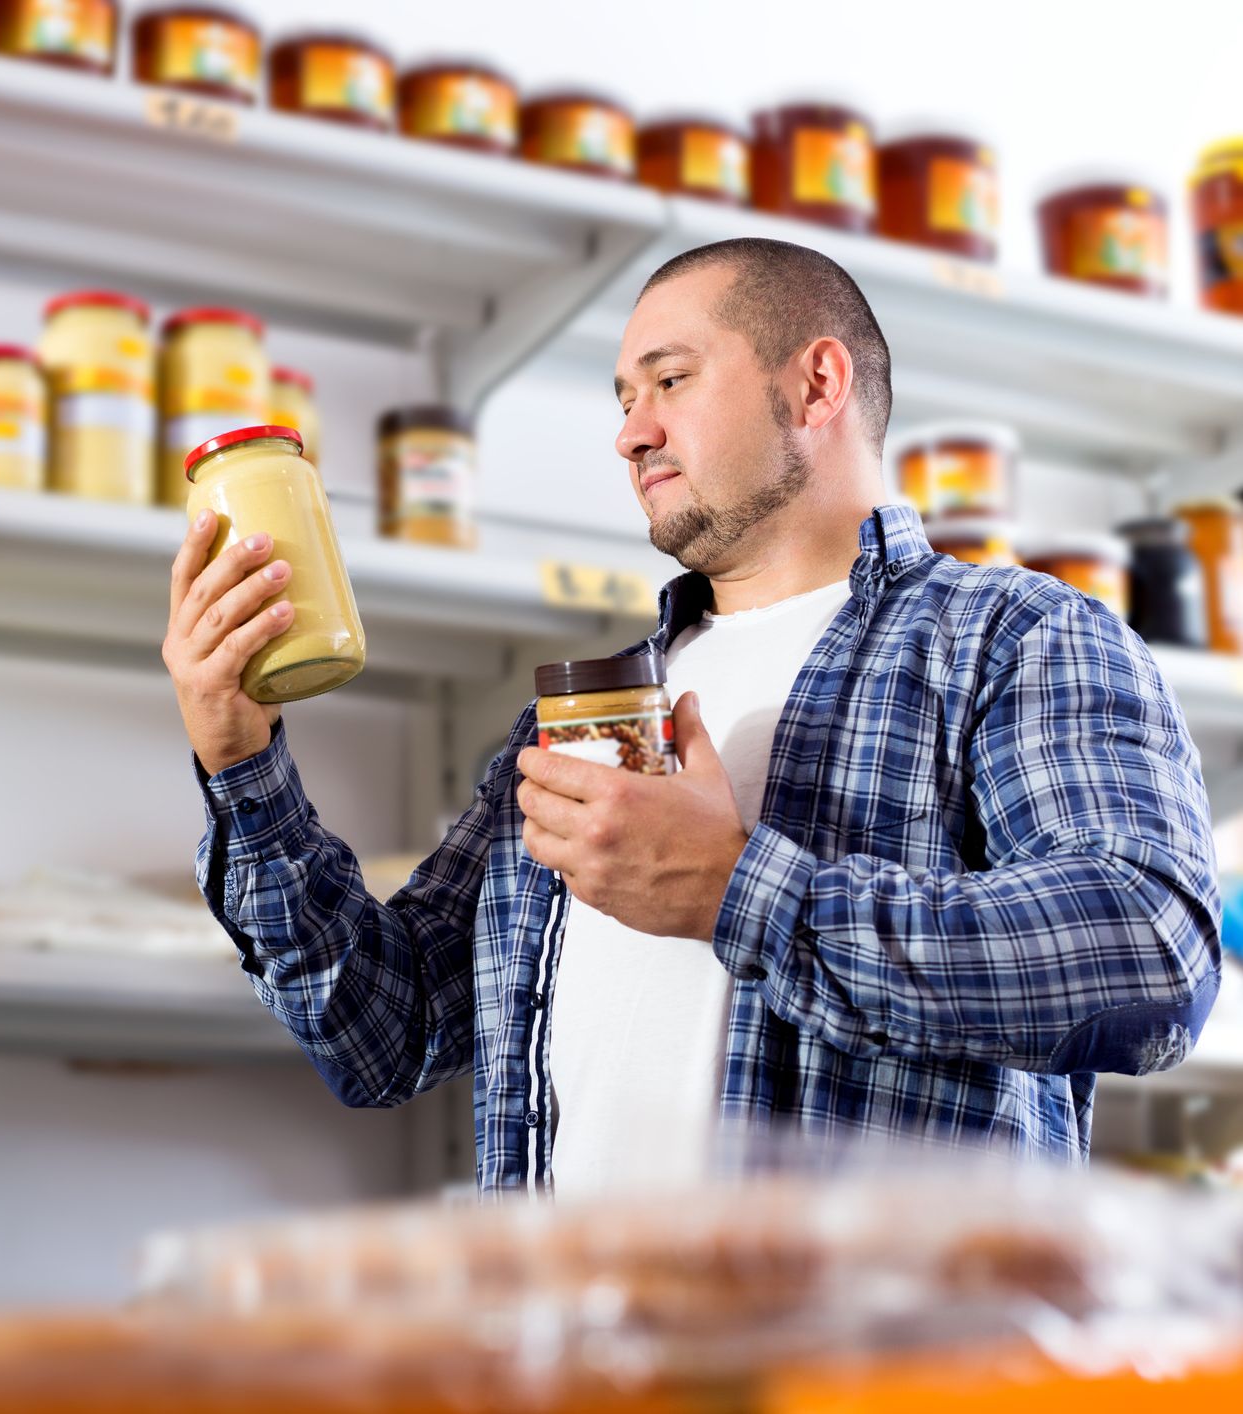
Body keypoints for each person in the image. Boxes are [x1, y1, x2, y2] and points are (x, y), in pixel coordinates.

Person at [162, 237, 1221, 1197]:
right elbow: (384, 1034)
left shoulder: (1014, 638)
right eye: (622, 398)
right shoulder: (583, 714)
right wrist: (236, 753)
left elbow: (1148, 958)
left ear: (815, 383)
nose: (631, 432)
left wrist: (734, 889)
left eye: (669, 380)